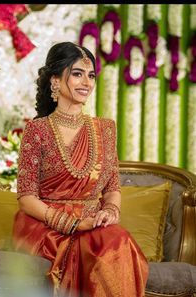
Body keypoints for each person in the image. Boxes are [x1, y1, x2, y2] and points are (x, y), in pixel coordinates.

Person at [12, 41, 149, 297]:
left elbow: (112, 187)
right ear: (55, 80)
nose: (86, 82)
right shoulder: (37, 130)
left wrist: (109, 211)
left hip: (93, 223)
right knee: (96, 249)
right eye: (77, 74)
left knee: (117, 243)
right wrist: (71, 224)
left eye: (91, 75)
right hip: (48, 226)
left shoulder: (105, 129)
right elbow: (26, 198)